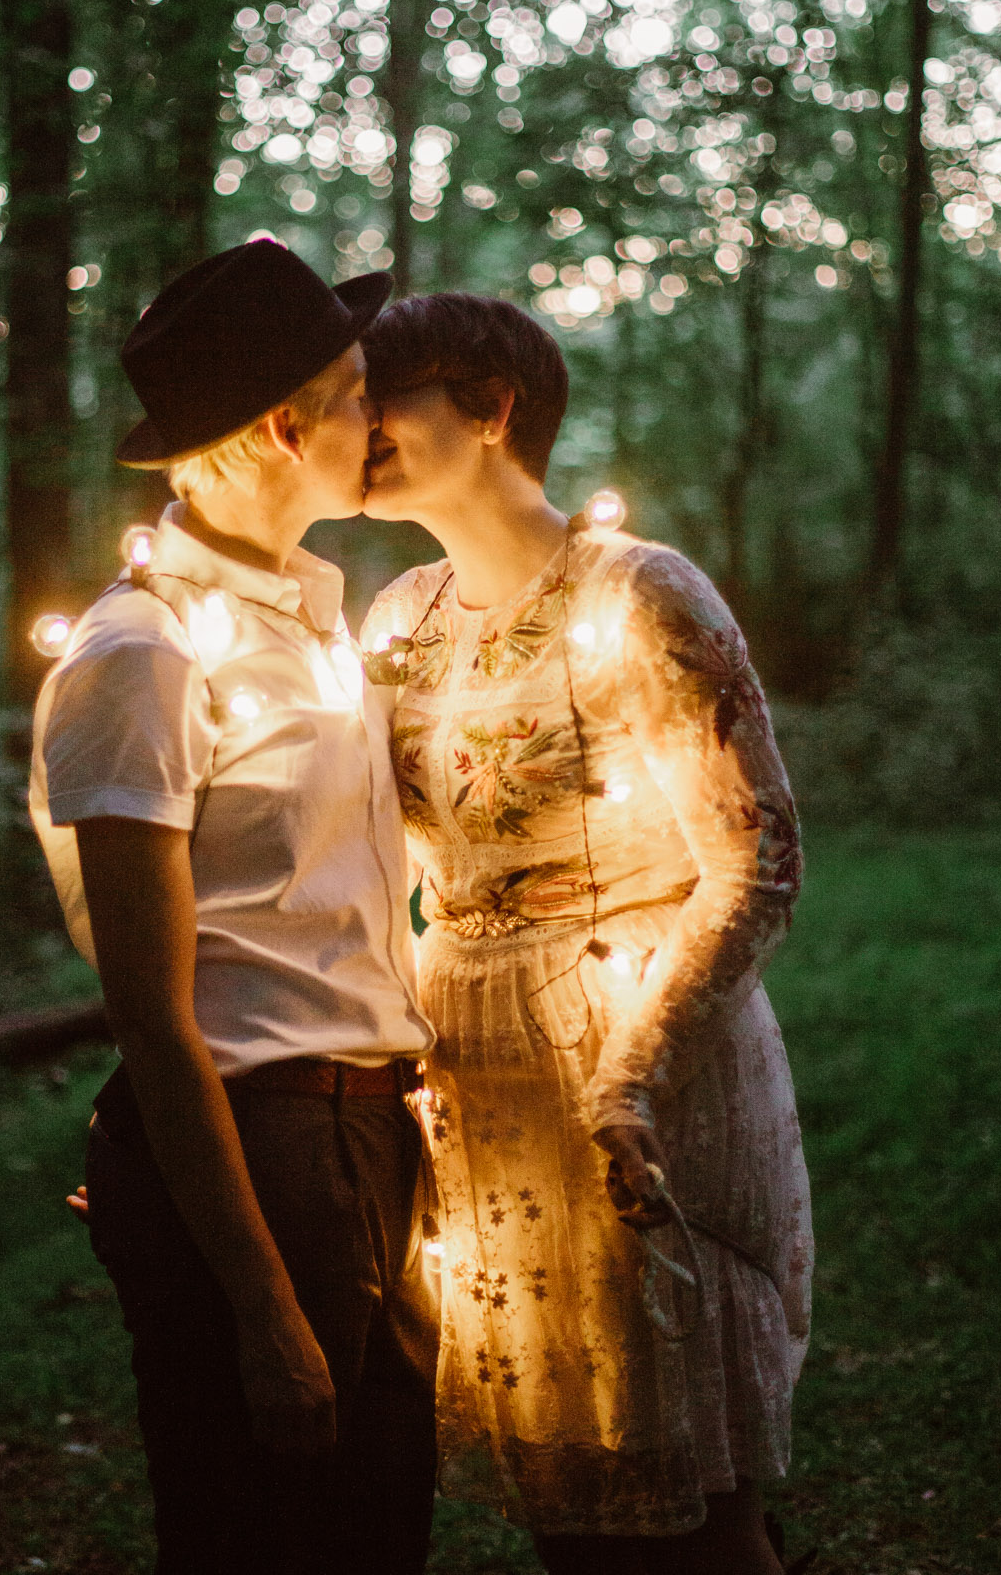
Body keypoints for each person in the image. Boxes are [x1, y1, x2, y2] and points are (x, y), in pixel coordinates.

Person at [358, 292, 812, 1575]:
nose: (360, 422)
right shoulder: (396, 619)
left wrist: (633, 1068)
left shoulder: (640, 591)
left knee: (687, 1481)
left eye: (391, 395)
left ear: (493, 408)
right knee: (571, 1485)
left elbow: (757, 860)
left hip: (639, 1054)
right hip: (478, 1076)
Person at [29, 239, 439, 1575]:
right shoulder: (140, 654)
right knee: (265, 1532)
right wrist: (262, 1307)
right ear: (281, 427)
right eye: (358, 388)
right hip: (261, 1150)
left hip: (362, 1139)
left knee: (378, 1523)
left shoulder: (318, 627)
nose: (377, 417)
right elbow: (151, 1015)